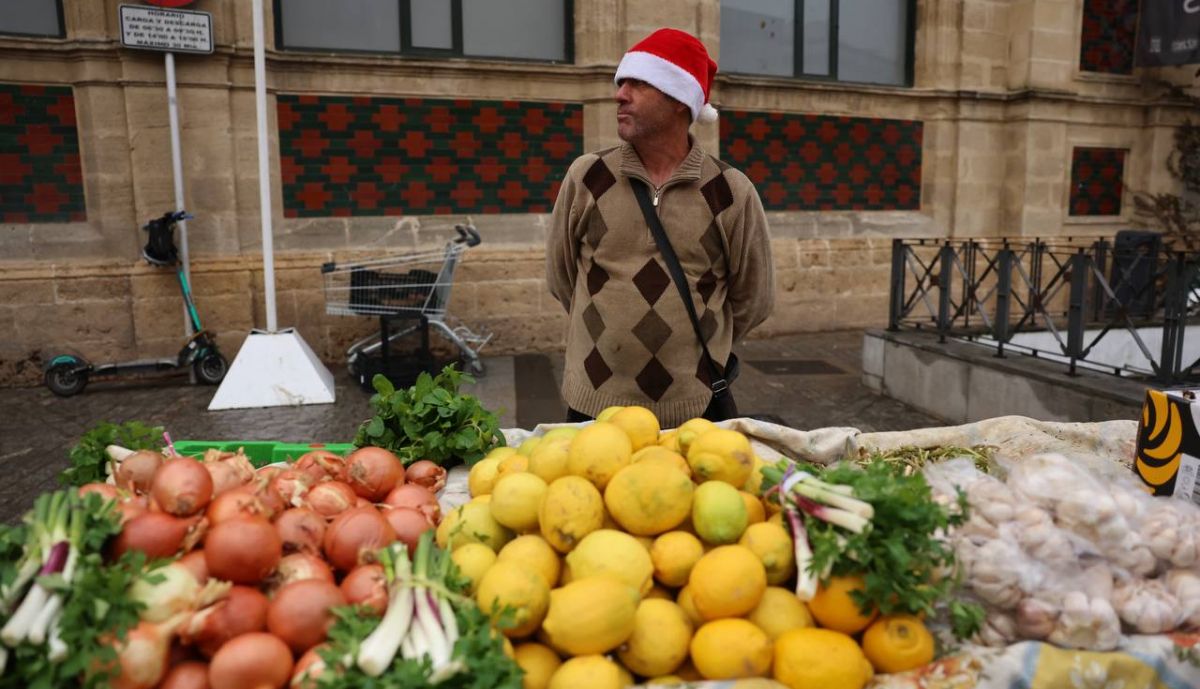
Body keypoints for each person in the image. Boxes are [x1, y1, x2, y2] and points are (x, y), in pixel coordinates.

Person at [546, 27, 775, 428]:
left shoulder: (730, 192)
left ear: (679, 100)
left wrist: (695, 349)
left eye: (638, 83)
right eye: (621, 83)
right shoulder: (588, 177)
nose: (620, 94)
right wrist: (607, 332)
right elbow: (562, 277)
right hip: (594, 407)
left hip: (692, 412)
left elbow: (753, 299)